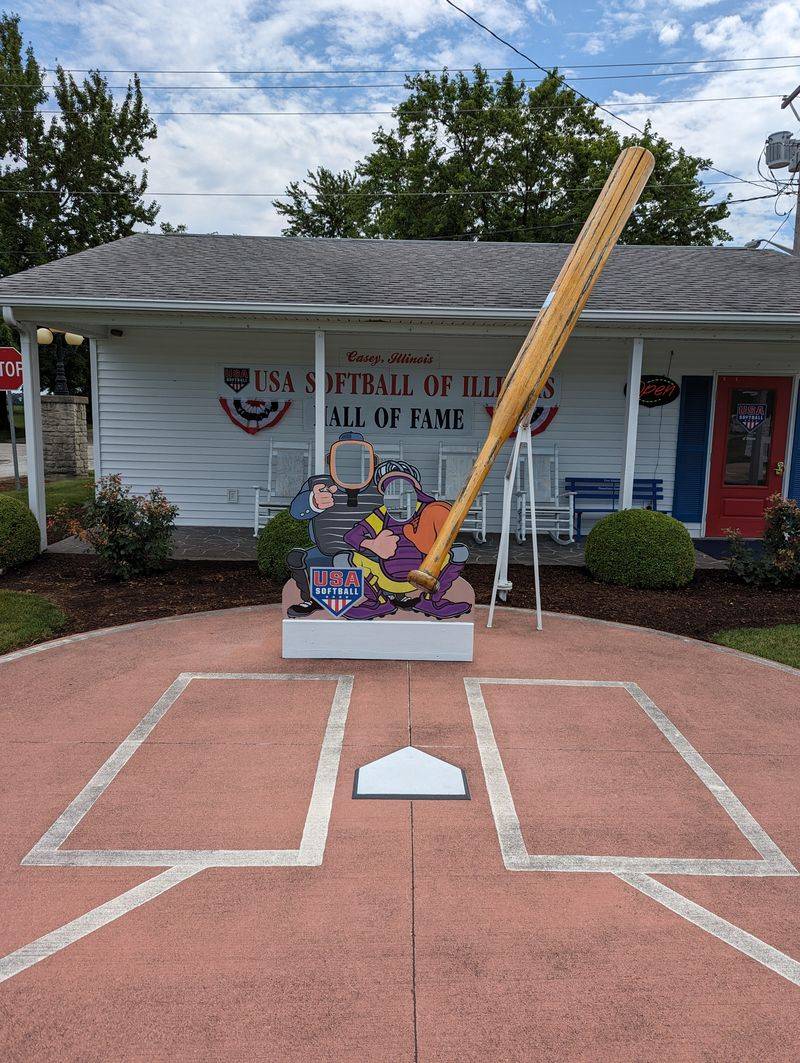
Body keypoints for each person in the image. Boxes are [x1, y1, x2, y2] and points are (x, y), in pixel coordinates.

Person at [342, 459, 471, 620]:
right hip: (385, 577)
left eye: (405, 486)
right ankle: (378, 602)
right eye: (391, 487)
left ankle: (431, 601)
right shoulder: (381, 515)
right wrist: (372, 544)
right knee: (343, 559)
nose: (398, 491)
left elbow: (447, 532)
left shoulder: (427, 511)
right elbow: (351, 536)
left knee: (459, 551)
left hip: (423, 578)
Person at [286, 432, 383, 618]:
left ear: (372, 462)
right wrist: (313, 501)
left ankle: (390, 595)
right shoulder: (317, 484)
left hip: (370, 554)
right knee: (301, 559)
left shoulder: (380, 486)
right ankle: (312, 598)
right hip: (327, 553)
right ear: (331, 461)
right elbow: (296, 511)